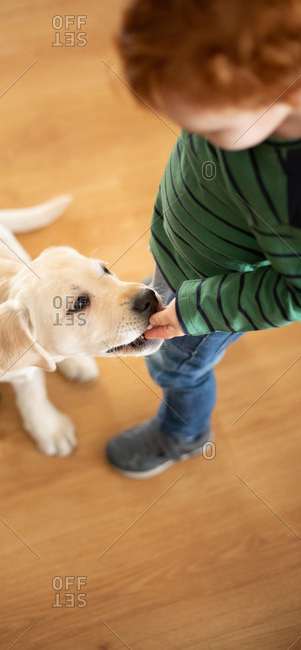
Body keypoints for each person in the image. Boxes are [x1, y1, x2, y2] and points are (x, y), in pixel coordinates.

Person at [105, 0, 301, 478]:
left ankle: (184, 435)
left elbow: (294, 292)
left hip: (209, 299)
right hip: (185, 252)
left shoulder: (292, 187)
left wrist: (196, 312)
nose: (195, 137)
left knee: (175, 368)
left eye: (208, 130)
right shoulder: (247, 97)